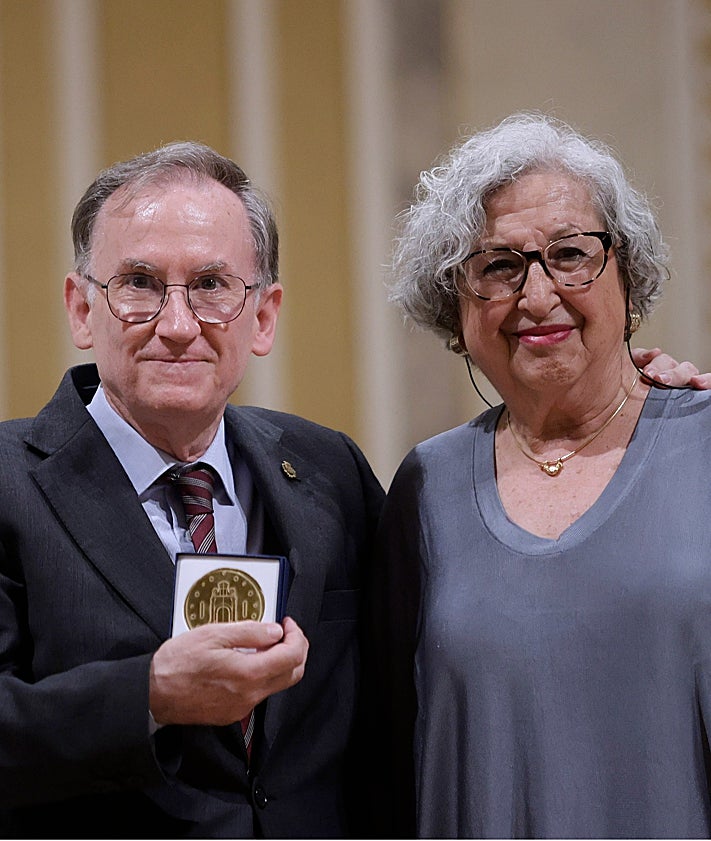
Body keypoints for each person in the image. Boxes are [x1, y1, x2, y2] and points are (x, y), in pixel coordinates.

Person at [0, 141, 384, 838]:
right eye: (140, 283)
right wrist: (146, 695)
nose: (177, 326)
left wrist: (620, 403)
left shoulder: (330, 470)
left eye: (211, 285)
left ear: (262, 316)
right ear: (82, 307)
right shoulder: (6, 484)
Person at [368, 113, 711, 838]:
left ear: (627, 272)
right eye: (498, 266)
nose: (536, 294)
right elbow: (386, 753)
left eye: (568, 254)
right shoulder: (425, 488)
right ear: (455, 313)